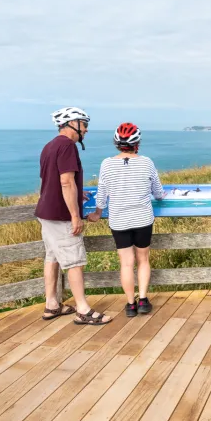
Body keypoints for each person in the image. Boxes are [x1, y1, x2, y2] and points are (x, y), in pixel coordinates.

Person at [34, 107, 111, 325]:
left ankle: (52, 304)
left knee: (52, 258)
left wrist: (79, 192)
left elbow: (49, 180)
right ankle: (83, 310)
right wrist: (75, 216)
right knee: (74, 261)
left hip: (46, 212)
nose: (86, 130)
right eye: (84, 125)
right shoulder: (68, 146)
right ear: (72, 123)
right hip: (61, 216)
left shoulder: (49, 146)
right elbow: (65, 181)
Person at [87, 122, 165, 317]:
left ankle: (130, 304)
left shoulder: (107, 164)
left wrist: (97, 213)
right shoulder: (146, 162)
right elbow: (158, 192)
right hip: (142, 219)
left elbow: (102, 194)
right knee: (143, 259)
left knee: (126, 263)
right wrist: (160, 196)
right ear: (137, 143)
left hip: (119, 220)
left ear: (116, 143)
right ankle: (143, 300)